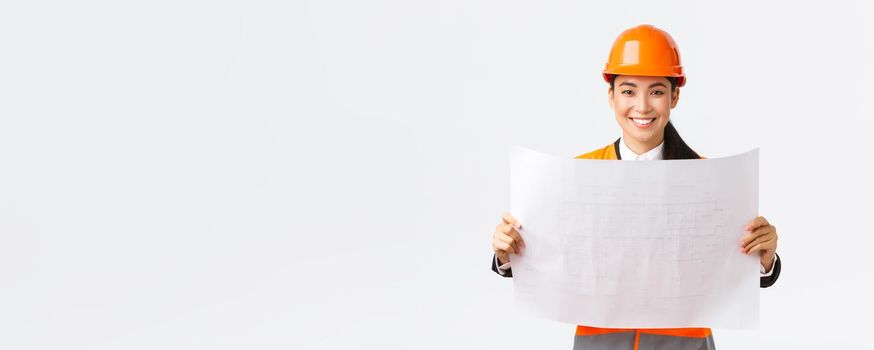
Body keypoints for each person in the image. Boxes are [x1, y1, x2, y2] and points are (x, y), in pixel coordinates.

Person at [490, 24, 781, 349]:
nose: (642, 106)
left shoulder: (710, 180)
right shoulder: (575, 176)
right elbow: (549, 261)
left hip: (685, 343)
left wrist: (765, 259)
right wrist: (507, 253)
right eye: (628, 91)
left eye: (656, 91)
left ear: (675, 96)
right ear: (611, 95)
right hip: (601, 340)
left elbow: (733, 268)